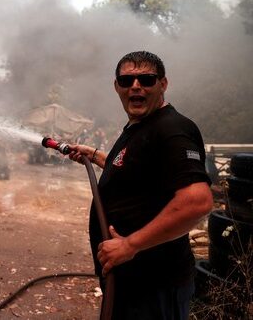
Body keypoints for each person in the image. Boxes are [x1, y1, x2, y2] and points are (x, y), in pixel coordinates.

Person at [67, 51, 213, 319]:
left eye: (146, 79)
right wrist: (98, 157)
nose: (136, 86)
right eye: (126, 81)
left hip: (154, 285)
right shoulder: (141, 127)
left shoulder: (172, 129)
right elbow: (141, 173)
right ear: (116, 87)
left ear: (163, 84)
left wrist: (129, 245)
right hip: (130, 281)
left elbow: (197, 201)